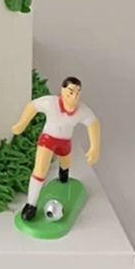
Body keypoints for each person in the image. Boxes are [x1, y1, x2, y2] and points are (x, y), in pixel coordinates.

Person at [11, 76, 101, 221]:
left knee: (66, 163)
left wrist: (95, 147)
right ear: (63, 90)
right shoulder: (50, 103)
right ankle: (31, 204)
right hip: (48, 140)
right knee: (40, 170)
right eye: (71, 91)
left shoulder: (82, 110)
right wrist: (22, 123)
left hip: (65, 142)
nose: (74, 96)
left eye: (77, 92)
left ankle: (63, 173)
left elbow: (93, 123)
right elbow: (32, 106)